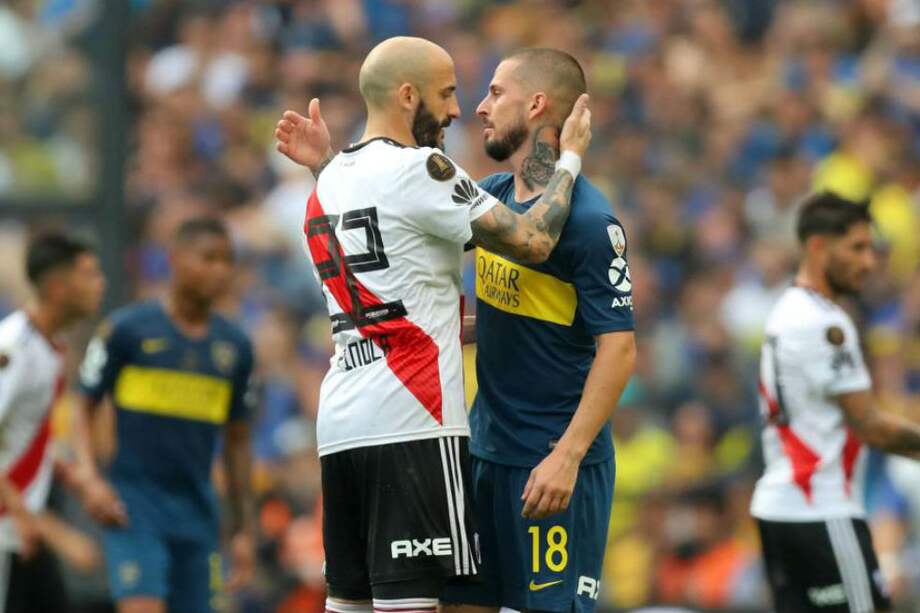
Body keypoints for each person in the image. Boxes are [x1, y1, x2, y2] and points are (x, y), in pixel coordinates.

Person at [273, 36, 591, 613]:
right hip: (412, 424)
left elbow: (392, 249)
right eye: (446, 94)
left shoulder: (328, 180)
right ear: (407, 95)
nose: (454, 111)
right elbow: (535, 239)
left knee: (350, 606)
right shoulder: (424, 169)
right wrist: (569, 157)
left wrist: (323, 162)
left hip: (341, 427)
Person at [442, 48, 636, 613]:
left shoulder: (591, 224)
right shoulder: (498, 198)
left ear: (536, 104)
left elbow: (619, 349)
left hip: (550, 467)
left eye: (495, 92)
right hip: (485, 453)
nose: (479, 107)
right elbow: (524, 309)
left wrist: (567, 457)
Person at [750, 191, 920, 612]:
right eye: (857, 248)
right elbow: (871, 426)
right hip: (821, 509)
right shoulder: (825, 323)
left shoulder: (786, 311)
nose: (869, 262)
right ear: (818, 246)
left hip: (781, 510)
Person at [77, 218, 256, 613]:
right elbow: (84, 404)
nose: (220, 270)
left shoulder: (235, 347)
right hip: (134, 506)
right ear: (175, 259)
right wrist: (89, 477)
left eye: (227, 261)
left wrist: (244, 529)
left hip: (198, 513)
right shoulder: (127, 330)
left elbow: (238, 440)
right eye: (208, 258)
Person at [0, 230, 105, 612]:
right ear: (59, 287)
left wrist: (77, 479)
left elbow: (23, 439)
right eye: (90, 274)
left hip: (20, 531)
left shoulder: (52, 347)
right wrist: (39, 524)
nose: (101, 284)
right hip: (9, 529)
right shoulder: (13, 349)